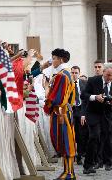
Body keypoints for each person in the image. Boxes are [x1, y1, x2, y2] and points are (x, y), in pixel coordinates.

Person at [82, 64, 112, 174]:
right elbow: (84, 95)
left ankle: (103, 161)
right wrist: (95, 97)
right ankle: (88, 165)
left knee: (106, 139)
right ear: (103, 72)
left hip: (108, 115)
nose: (109, 78)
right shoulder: (92, 80)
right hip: (94, 113)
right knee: (94, 136)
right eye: (107, 75)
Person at [44, 48, 76, 180]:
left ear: (61, 59)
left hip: (62, 113)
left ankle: (69, 173)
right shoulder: (65, 73)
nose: (52, 61)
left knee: (66, 142)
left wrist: (47, 92)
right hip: (65, 111)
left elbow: (56, 98)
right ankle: (67, 172)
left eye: (54, 58)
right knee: (65, 142)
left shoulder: (62, 75)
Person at [71, 66, 87, 165]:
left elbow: (87, 99)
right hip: (71, 110)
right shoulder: (68, 84)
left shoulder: (84, 83)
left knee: (81, 134)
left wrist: (84, 113)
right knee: (73, 133)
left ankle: (80, 155)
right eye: (72, 72)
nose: (74, 75)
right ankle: (72, 153)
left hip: (81, 110)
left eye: (76, 73)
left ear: (79, 73)